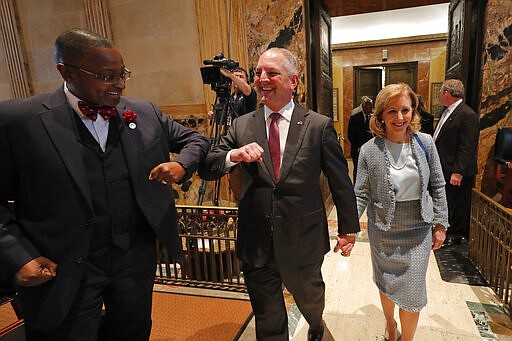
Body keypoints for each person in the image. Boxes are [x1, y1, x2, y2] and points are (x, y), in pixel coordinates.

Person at [0, 28, 209, 340]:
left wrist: (180, 164)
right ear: (65, 71)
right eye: (107, 76)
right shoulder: (18, 120)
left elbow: (196, 140)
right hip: (61, 266)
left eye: (122, 74)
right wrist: (18, 256)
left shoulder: (143, 111)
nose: (120, 84)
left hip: (133, 261)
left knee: (132, 333)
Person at [199, 47, 360, 341]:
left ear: (293, 81)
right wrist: (234, 155)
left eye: (271, 73)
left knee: (311, 301)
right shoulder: (241, 124)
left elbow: (340, 181)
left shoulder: (317, 125)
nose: (262, 78)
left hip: (303, 237)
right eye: (259, 72)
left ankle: (316, 324)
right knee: (268, 317)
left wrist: (349, 229)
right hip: (256, 240)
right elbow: (210, 166)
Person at [354, 83, 448, 341]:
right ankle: (390, 325)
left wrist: (440, 224)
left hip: (418, 230)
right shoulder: (368, 151)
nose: (399, 117)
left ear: (413, 112)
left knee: (413, 293)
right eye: (391, 111)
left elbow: (438, 184)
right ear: (381, 116)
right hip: (383, 229)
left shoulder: (426, 143)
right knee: (385, 283)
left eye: (405, 110)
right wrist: (348, 228)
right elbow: (360, 193)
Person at [433, 79, 479, 246]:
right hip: (445, 167)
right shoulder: (448, 111)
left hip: (456, 170)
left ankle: (455, 235)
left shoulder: (467, 115)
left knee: (456, 203)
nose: (439, 95)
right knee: (447, 201)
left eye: (441, 92)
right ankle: (445, 229)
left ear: (447, 93)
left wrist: (458, 172)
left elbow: (467, 147)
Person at [348, 96, 374, 180]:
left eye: (370, 107)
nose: (369, 109)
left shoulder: (373, 118)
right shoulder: (355, 117)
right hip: (357, 150)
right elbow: (350, 134)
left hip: (370, 150)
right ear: (363, 106)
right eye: (367, 107)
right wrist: (358, 147)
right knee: (357, 171)